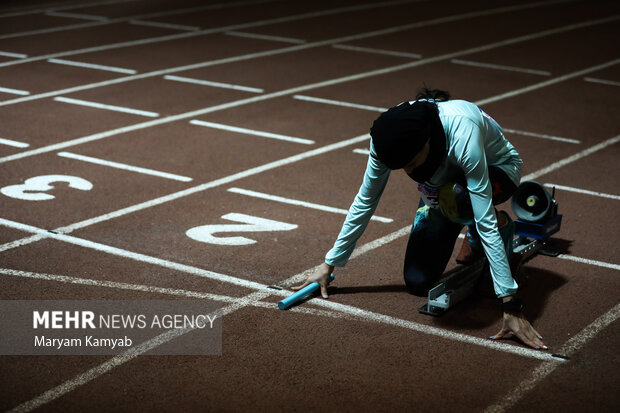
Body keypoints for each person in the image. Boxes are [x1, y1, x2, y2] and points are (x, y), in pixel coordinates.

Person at [293, 88, 547, 350]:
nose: (408, 171)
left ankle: (499, 225)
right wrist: (330, 263)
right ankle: (457, 216)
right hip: (442, 185)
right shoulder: (386, 139)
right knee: (417, 281)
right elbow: (366, 200)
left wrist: (510, 303)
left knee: (463, 199)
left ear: (427, 140)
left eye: (411, 163)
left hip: (498, 170)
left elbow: (483, 217)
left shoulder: (462, 134)